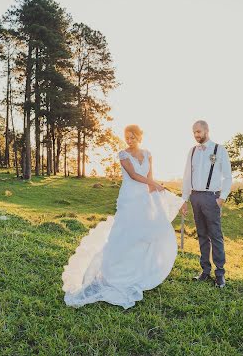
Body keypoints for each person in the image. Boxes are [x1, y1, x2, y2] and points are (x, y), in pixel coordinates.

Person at [62, 124, 184, 309]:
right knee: (125, 234)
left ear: (139, 137)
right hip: (130, 199)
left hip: (144, 200)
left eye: (132, 137)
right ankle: (114, 274)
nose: (129, 140)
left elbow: (150, 179)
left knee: (144, 235)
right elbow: (134, 176)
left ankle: (138, 271)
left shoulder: (148, 154)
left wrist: (163, 195)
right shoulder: (123, 155)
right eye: (127, 137)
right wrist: (155, 184)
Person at [180, 120, 232, 288]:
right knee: (202, 235)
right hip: (195, 197)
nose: (196, 135)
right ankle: (205, 271)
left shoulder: (219, 150)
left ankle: (220, 274)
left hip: (212, 198)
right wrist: (185, 199)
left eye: (199, 131)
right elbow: (187, 176)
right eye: (194, 132)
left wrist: (222, 197)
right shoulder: (192, 151)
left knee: (215, 235)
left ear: (207, 131)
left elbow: (228, 176)